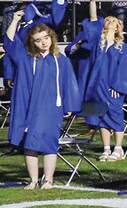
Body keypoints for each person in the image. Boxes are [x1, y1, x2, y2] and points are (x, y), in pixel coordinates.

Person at [7, 20, 80, 189]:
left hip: (52, 108)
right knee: (30, 144)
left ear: (52, 37)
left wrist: (69, 106)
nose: (43, 42)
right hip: (30, 108)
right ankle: (33, 179)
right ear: (32, 42)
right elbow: (10, 42)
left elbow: (68, 83)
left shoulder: (60, 60)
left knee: (49, 143)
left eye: (46, 38)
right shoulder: (27, 59)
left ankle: (48, 179)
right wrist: (15, 20)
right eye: (38, 40)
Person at [72, 0, 127, 161]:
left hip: (113, 87)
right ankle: (106, 148)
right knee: (101, 117)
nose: (111, 22)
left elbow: (124, 69)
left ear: (119, 26)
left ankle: (118, 149)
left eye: (114, 20)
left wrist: (118, 87)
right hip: (98, 85)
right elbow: (92, 19)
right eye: (108, 20)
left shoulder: (122, 47)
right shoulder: (99, 42)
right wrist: (93, 0)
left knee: (116, 114)